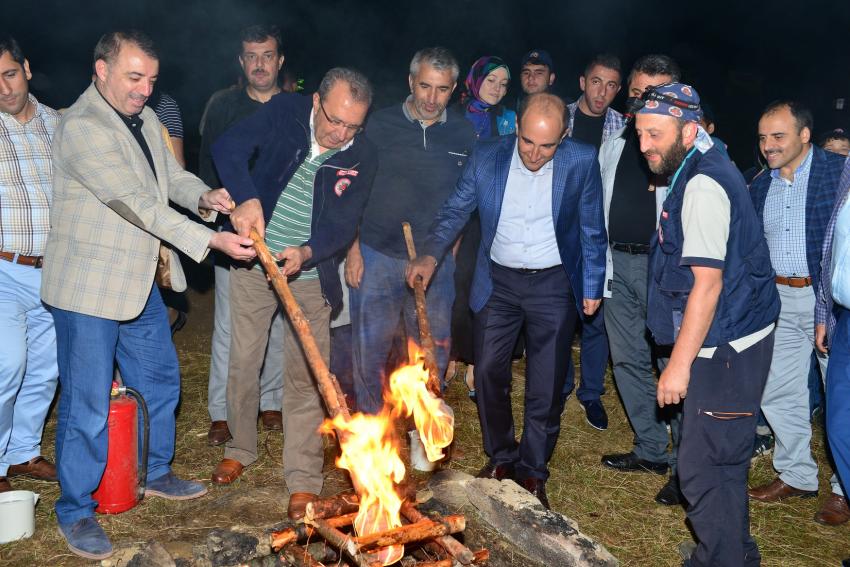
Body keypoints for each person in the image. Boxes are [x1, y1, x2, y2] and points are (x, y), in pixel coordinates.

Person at [43, 30, 256, 560]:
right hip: (89, 289)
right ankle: (75, 509)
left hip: (139, 283)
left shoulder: (144, 119)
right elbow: (137, 203)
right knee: (87, 405)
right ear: (102, 70)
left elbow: (170, 179)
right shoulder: (83, 126)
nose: (145, 89)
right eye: (134, 78)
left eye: (152, 80)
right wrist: (209, 238)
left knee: (160, 381)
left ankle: (154, 470)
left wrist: (204, 197)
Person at [407, 92, 607, 509]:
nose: (535, 154)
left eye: (547, 145)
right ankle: (501, 457)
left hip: (553, 284)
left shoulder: (580, 161)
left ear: (563, 138)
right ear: (516, 130)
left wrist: (591, 284)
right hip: (497, 282)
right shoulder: (487, 156)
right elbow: (455, 210)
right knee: (488, 376)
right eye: (527, 142)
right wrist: (430, 252)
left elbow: (591, 225)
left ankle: (533, 471)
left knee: (545, 383)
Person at [210, 68, 377, 521]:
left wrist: (306, 252)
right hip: (253, 258)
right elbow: (228, 147)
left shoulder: (362, 153)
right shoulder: (285, 111)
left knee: (306, 375)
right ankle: (240, 447)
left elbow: (343, 225)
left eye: (351, 125)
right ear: (317, 100)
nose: (340, 132)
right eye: (334, 119)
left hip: (310, 275)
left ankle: (303, 478)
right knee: (244, 359)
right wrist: (246, 198)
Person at [634, 82, 780, 566]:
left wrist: (678, 368)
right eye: (640, 134)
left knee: (701, 468)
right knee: (725, 458)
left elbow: (707, 287)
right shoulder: (704, 161)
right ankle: (732, 550)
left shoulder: (702, 185)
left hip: (726, 347)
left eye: (655, 134)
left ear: (689, 129)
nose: (645, 145)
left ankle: (719, 558)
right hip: (740, 336)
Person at [347, 47, 475, 416]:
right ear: (410, 82)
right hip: (377, 254)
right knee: (369, 348)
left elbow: (465, 199)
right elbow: (353, 188)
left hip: (434, 263)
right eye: (425, 86)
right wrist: (353, 249)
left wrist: (450, 250)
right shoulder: (378, 125)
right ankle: (371, 427)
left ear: (454, 89)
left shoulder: (463, 133)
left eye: (442, 89)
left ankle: (426, 435)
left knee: (431, 350)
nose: (432, 98)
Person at [747, 101, 846, 519]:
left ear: (804, 135)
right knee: (776, 388)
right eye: (763, 137)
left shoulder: (838, 174)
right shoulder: (760, 185)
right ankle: (797, 474)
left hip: (829, 302)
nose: (768, 145)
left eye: (778, 136)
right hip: (779, 300)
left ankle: (844, 489)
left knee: (841, 400)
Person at [598, 55, 683, 505]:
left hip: (663, 267)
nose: (644, 100)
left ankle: (687, 468)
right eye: (637, 91)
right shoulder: (615, 142)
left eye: (656, 92)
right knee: (628, 358)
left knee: (675, 363)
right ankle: (651, 449)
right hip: (617, 263)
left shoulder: (687, 149)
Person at [199, 24, 287, 446]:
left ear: (280, 60)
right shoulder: (223, 106)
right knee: (230, 326)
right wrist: (212, 222)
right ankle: (222, 410)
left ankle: (271, 401)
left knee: (279, 320)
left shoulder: (294, 110)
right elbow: (207, 171)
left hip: (282, 230)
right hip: (233, 232)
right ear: (241, 61)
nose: (259, 64)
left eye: (267, 55)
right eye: (251, 56)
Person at [0, 35, 60, 494]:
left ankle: (22, 452)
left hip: (56, 270)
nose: (3, 88)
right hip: (4, 270)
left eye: (9, 74)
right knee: (8, 364)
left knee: (47, 367)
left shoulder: (59, 126)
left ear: (27, 69)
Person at [562, 53, 626, 431]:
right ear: (583, 81)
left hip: (599, 235)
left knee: (596, 318)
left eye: (612, 85)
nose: (603, 91)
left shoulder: (624, 127)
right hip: (559, 232)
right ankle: (560, 386)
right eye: (597, 81)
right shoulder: (558, 116)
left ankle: (590, 393)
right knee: (558, 315)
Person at [454, 55, 516, 398]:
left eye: (504, 83)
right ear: (475, 79)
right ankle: (450, 357)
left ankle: (479, 364)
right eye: (492, 80)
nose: (497, 88)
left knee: (487, 290)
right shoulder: (455, 117)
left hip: (493, 218)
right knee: (455, 287)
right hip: (457, 215)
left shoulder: (508, 121)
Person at [816, 158, 850, 536]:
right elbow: (833, 247)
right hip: (845, 318)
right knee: (840, 426)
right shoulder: (848, 171)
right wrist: (824, 311)